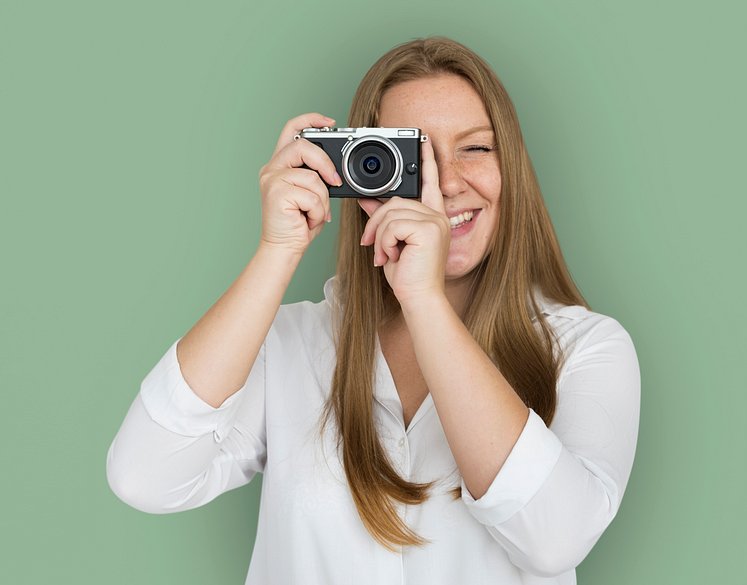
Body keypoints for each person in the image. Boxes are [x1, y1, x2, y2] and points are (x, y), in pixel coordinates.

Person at [106, 36, 641, 584]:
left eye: (476, 148)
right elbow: (144, 477)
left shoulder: (585, 348)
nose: (447, 183)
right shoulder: (291, 344)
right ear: (360, 170)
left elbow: (556, 540)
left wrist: (424, 299)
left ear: (513, 168)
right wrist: (279, 249)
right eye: (415, 156)